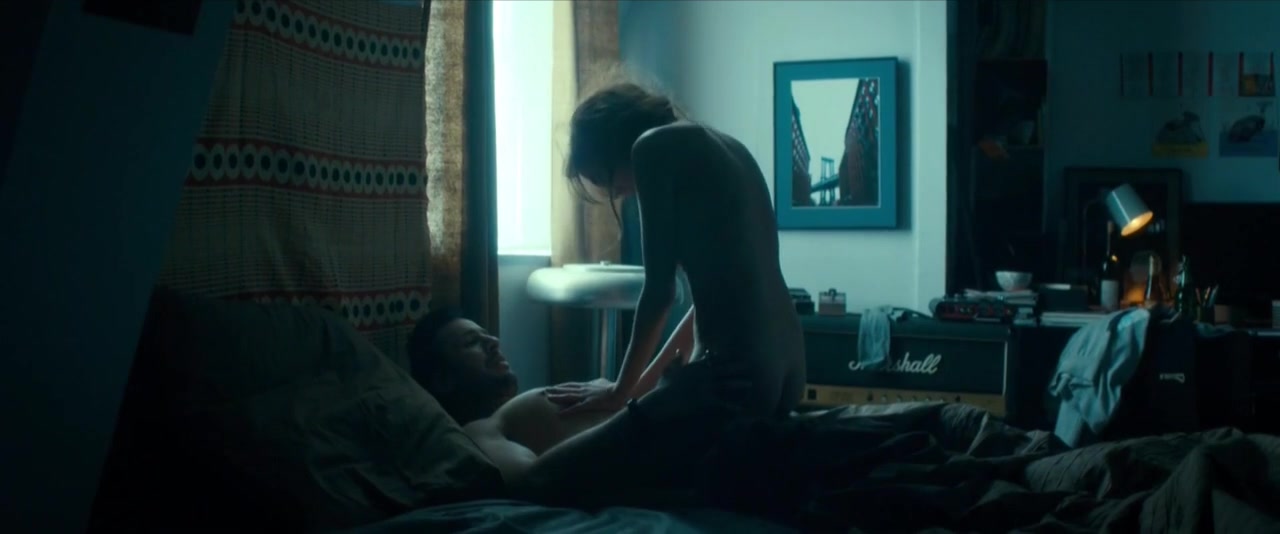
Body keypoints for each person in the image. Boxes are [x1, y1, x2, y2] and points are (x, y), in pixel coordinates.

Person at [472, 77, 805, 504]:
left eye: (609, 183)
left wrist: (619, 392)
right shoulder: (729, 147)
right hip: (786, 370)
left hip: (731, 377)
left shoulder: (652, 148)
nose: (621, 194)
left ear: (609, 145)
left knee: (542, 480)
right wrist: (642, 388)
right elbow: (709, 304)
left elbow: (659, 292)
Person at [407, 306, 697, 461]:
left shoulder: (523, 410)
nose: (494, 341)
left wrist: (648, 398)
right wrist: (645, 411)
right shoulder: (478, 434)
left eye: (487, 335)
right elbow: (536, 480)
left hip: (671, 420)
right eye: (472, 342)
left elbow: (641, 394)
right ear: (443, 380)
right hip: (679, 447)